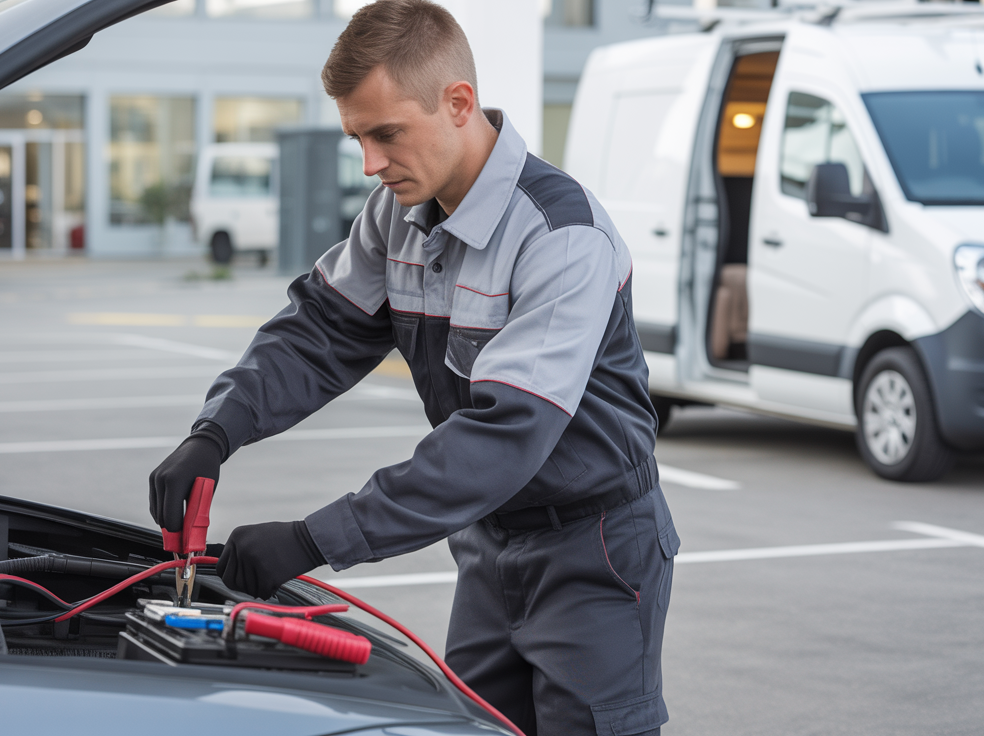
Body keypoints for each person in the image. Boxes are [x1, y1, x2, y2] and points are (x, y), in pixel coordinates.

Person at [148, 1, 678, 733]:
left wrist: (314, 539)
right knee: (470, 726)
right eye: (357, 137)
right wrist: (215, 431)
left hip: (593, 552)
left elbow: (503, 437)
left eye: (386, 134)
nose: (370, 162)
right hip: (490, 543)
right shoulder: (396, 212)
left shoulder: (562, 236)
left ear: (458, 103)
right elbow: (320, 332)